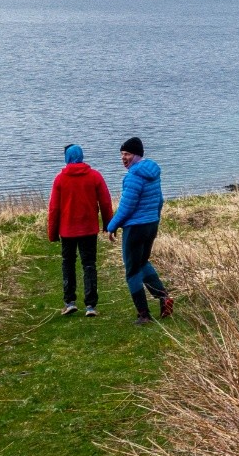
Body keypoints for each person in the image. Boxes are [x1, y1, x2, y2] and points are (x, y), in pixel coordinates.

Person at [107, 136, 174, 325]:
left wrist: (112, 226)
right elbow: (159, 200)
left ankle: (144, 315)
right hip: (151, 224)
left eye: (127, 154)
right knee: (143, 262)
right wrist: (156, 218)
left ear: (136, 155)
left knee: (132, 270)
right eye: (121, 154)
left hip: (135, 228)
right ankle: (163, 297)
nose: (123, 158)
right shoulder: (152, 172)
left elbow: (127, 206)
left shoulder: (133, 176)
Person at [47, 144, 113, 317]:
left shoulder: (60, 179)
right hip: (89, 229)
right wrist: (109, 225)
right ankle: (91, 306)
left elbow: (54, 209)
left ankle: (69, 302)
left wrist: (52, 233)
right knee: (89, 264)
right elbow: (105, 202)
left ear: (67, 157)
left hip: (67, 230)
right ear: (82, 156)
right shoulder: (95, 176)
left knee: (68, 263)